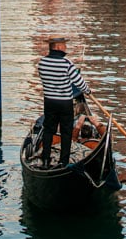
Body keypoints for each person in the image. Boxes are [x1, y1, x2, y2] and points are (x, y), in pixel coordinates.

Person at [37, 36, 90, 168]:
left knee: (48, 130)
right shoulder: (67, 63)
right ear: (58, 47)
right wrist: (87, 90)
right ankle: (63, 162)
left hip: (49, 102)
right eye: (64, 45)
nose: (66, 47)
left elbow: (46, 80)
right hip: (65, 103)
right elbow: (79, 82)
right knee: (66, 132)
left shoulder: (42, 63)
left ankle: (45, 160)